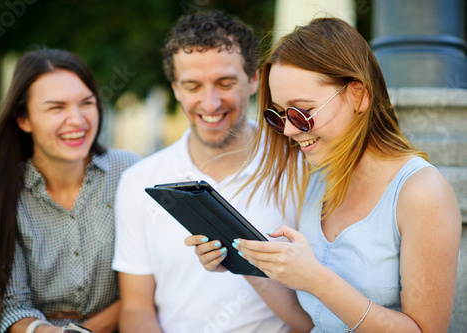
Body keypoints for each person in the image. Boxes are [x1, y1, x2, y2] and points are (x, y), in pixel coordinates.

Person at [190, 17, 462, 332]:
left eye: (301, 112)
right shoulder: (318, 177)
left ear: (358, 95)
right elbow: (312, 322)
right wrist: (247, 263)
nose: (289, 129)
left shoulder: (422, 193)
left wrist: (316, 279)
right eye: (278, 114)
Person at [112, 10, 312, 333]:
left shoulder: (300, 166)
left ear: (254, 80)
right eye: (192, 85)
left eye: (225, 82)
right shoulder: (139, 182)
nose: (210, 103)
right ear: (175, 88)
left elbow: (318, 315)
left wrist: (244, 258)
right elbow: (137, 308)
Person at [0, 48, 140, 333]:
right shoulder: (1, 193)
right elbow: (11, 307)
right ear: (24, 119)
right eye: (56, 107)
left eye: (86, 103)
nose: (77, 119)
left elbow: (154, 277)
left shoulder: (130, 172)